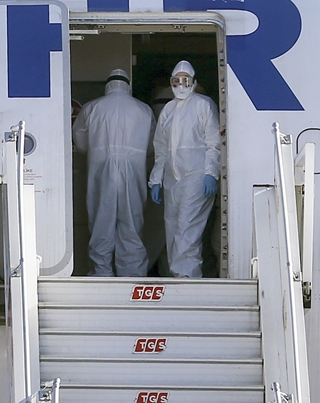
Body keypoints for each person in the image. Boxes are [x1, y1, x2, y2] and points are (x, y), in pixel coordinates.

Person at [72, 68, 154, 277]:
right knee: (132, 226)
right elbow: (154, 145)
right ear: (128, 84)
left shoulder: (92, 108)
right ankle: (133, 278)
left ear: (107, 85)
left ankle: (101, 276)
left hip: (101, 170)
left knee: (101, 225)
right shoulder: (144, 110)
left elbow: (80, 141)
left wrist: (96, 150)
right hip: (133, 171)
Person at [149, 60, 221, 278]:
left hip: (196, 177)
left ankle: (187, 280)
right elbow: (160, 147)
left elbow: (214, 142)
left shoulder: (203, 105)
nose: (181, 85)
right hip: (173, 180)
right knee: (172, 230)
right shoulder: (168, 110)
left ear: (194, 81)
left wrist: (211, 173)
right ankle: (177, 277)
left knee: (186, 229)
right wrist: (156, 179)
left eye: (185, 80)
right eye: (177, 80)